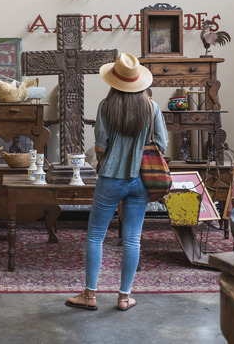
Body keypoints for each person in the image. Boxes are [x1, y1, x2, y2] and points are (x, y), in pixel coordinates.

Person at [65, 52, 168, 312]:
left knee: (96, 236)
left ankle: (89, 295)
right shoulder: (152, 108)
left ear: (115, 81)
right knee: (132, 239)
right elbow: (162, 145)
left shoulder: (105, 107)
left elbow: (100, 147)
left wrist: (111, 154)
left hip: (111, 178)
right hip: (141, 180)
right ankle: (124, 297)